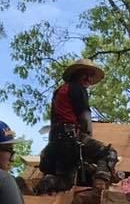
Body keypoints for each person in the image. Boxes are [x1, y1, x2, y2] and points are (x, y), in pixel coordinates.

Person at [37, 58, 117, 194]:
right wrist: (87, 138)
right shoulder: (77, 88)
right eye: (85, 74)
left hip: (56, 140)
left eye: (91, 76)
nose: (88, 78)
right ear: (76, 74)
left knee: (66, 182)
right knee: (109, 153)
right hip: (71, 136)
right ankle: (100, 186)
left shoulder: (59, 91)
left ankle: (50, 181)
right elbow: (85, 118)